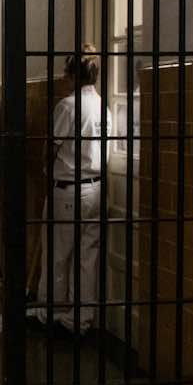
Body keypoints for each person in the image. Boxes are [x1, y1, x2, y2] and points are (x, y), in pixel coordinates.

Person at [29, 45, 112, 334]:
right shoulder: (104, 107)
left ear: (72, 74)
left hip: (68, 190)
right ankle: (81, 319)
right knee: (88, 258)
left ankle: (49, 313)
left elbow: (51, 149)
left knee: (57, 254)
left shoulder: (67, 106)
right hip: (96, 189)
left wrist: (46, 174)